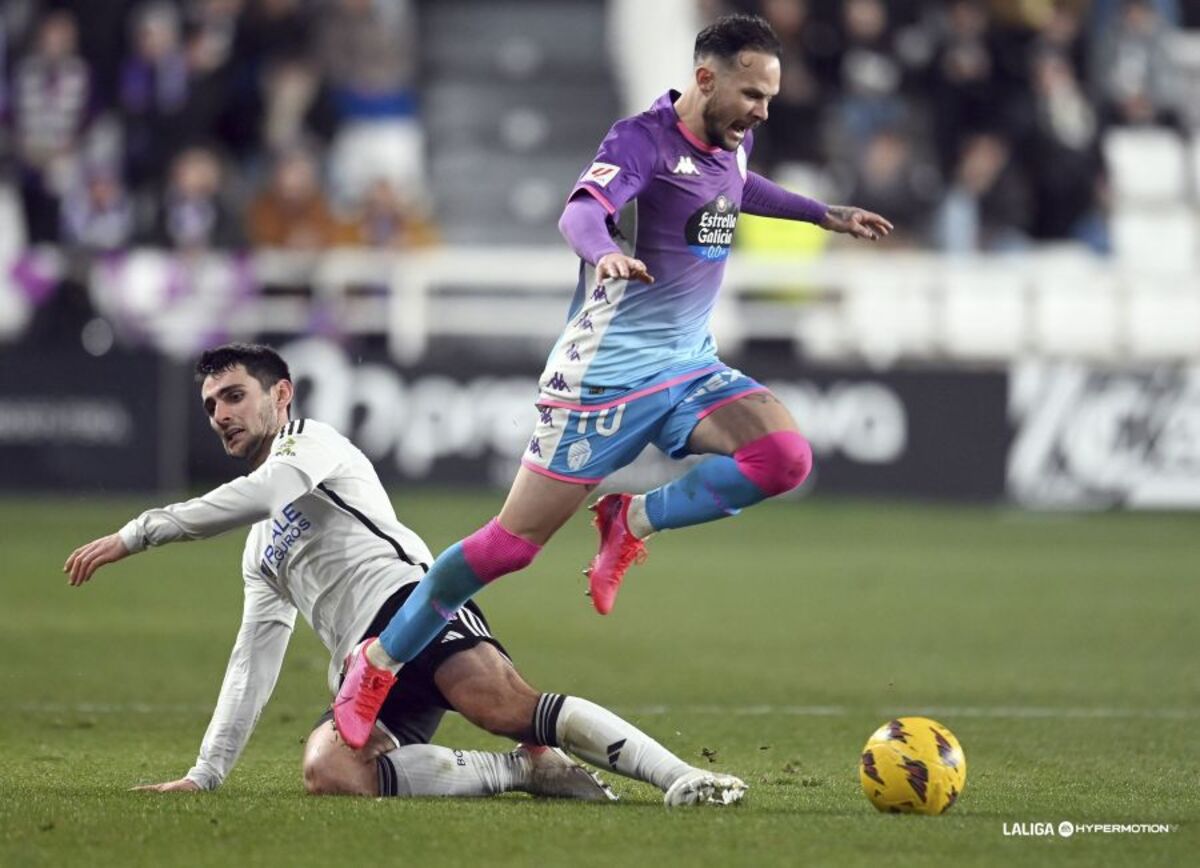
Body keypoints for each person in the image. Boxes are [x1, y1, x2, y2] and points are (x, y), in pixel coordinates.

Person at [333, 13, 891, 749]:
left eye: (769, 98)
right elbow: (580, 212)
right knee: (508, 546)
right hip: (605, 381)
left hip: (688, 366)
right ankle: (378, 661)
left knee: (784, 458)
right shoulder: (640, 141)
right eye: (752, 95)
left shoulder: (733, 140)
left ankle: (630, 519)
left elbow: (737, 189)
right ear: (705, 79)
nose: (762, 111)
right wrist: (603, 254)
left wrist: (823, 215)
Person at [63, 343, 746, 807]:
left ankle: (682, 777)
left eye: (234, 396)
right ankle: (521, 768)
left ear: (281, 393)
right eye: (211, 405)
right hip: (365, 668)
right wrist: (205, 774)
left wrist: (138, 533)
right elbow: (252, 660)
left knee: (506, 708)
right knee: (330, 770)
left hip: (414, 606)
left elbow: (270, 491)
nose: (222, 415)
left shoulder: (315, 445)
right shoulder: (259, 550)